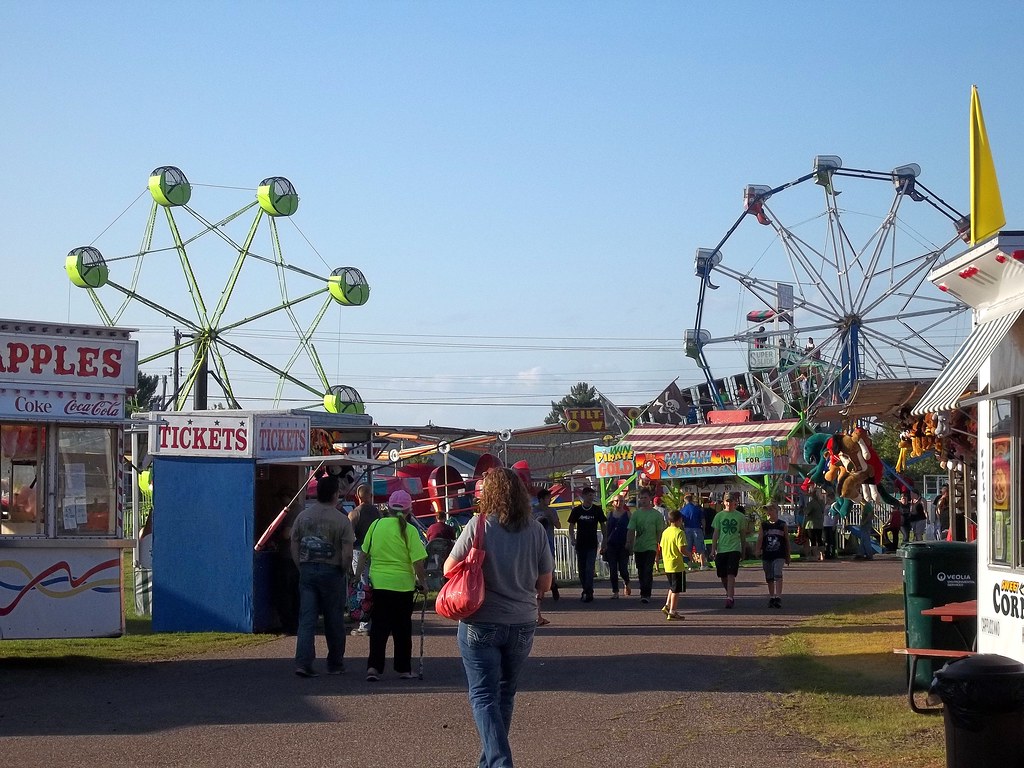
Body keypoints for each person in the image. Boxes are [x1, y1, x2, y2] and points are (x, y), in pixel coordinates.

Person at [444, 467, 554, 768]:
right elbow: (544, 583)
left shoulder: (478, 525)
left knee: (483, 695)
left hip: (481, 618)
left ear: (487, 494)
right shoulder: (536, 530)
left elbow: (447, 568)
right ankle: (490, 762)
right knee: (505, 693)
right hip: (522, 621)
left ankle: (500, 762)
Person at [360, 490, 428, 682]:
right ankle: (403, 668)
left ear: (387, 508)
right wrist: (423, 584)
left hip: (379, 584)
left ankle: (373, 667)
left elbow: (364, 553)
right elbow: (418, 562)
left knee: (379, 628)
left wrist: (357, 577)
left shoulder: (376, 525)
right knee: (402, 629)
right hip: (403, 586)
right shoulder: (410, 530)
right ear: (409, 510)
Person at [291, 474, 355, 677]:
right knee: (334, 618)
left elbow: (294, 542)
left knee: (307, 618)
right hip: (332, 571)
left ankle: (303, 662)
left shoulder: (303, 516)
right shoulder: (341, 520)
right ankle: (335, 663)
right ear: (335, 495)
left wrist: (300, 564)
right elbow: (347, 551)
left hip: (308, 569)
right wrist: (344, 569)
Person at [348, 483, 379, 637]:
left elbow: (349, 537)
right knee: (375, 585)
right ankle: (377, 620)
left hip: (359, 551)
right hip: (375, 552)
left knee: (362, 586)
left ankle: (364, 624)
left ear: (357, 496)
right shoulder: (377, 513)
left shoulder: (354, 514)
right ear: (370, 495)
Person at [567, 487, 606, 603]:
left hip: (592, 544)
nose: (591, 497)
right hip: (580, 544)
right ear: (583, 496)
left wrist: (605, 539)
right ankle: (585, 588)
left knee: (589, 568)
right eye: (589, 495)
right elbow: (571, 525)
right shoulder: (577, 510)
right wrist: (572, 538)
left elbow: (603, 524)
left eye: (592, 495)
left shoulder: (597, 510)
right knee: (582, 569)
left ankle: (589, 592)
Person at [626, 489, 665, 605]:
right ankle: (643, 590)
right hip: (639, 546)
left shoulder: (656, 515)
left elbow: (660, 531)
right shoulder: (636, 514)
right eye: (641, 498)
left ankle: (646, 594)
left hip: (651, 546)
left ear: (650, 499)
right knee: (641, 571)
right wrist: (629, 543)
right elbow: (631, 529)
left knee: (648, 570)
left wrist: (659, 545)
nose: (643, 500)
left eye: (645, 498)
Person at [711, 494, 747, 609]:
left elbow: (742, 535)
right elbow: (716, 533)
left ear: (735, 502)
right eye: (727, 501)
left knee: (731, 573)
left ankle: (730, 598)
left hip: (734, 548)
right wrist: (713, 549)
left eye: (731, 501)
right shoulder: (719, 516)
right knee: (722, 574)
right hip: (722, 549)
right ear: (723, 502)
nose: (729, 503)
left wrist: (744, 550)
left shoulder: (740, 517)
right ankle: (729, 592)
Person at [756, 503, 790, 609]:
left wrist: (788, 554)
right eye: (767, 511)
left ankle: (778, 596)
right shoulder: (764, 525)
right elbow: (760, 538)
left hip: (779, 554)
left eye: (771, 510)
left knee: (777, 573)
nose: (769, 513)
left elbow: (787, 540)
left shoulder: (782, 525)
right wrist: (757, 549)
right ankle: (772, 596)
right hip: (767, 554)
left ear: (776, 511)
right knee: (769, 576)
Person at [602, 494, 632, 598]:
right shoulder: (609, 515)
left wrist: (629, 543)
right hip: (611, 545)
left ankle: (626, 582)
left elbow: (631, 530)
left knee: (623, 569)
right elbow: (606, 531)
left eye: (621, 501)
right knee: (613, 569)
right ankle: (615, 591)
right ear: (613, 503)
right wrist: (603, 545)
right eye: (616, 501)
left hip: (623, 545)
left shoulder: (628, 514)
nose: (619, 503)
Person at [659, 509, 687, 620]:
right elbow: (682, 549)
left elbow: (661, 546)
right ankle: (672, 611)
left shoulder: (665, 532)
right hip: (676, 564)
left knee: (672, 586)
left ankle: (667, 605)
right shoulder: (679, 532)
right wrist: (690, 555)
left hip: (667, 563)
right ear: (679, 520)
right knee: (676, 589)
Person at [533, 489, 561, 602]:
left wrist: (551, 516)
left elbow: (558, 525)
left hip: (548, 542)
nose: (550, 500)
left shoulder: (552, 511)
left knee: (550, 566)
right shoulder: (533, 510)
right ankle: (537, 592)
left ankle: (553, 584)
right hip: (535, 543)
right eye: (548, 498)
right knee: (536, 567)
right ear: (541, 499)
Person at [679, 492, 708, 569]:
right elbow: (703, 520)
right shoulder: (697, 508)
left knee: (688, 548)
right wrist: (704, 529)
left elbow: (680, 522)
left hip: (687, 529)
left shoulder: (682, 510)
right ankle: (702, 565)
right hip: (697, 529)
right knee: (700, 548)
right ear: (691, 499)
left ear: (684, 500)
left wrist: (682, 529)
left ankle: (690, 565)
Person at [803, 490, 824, 561]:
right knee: (819, 539)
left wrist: (804, 508)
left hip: (811, 524)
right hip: (820, 523)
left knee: (813, 540)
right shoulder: (822, 503)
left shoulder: (812, 503)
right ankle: (822, 555)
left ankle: (814, 555)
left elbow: (806, 512)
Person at [822, 494, 838, 559]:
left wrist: (834, 524)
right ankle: (827, 553)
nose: (828, 501)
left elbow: (836, 516)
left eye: (829, 499)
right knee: (826, 539)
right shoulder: (825, 506)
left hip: (831, 524)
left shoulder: (834, 506)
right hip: (825, 524)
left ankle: (832, 553)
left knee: (831, 540)